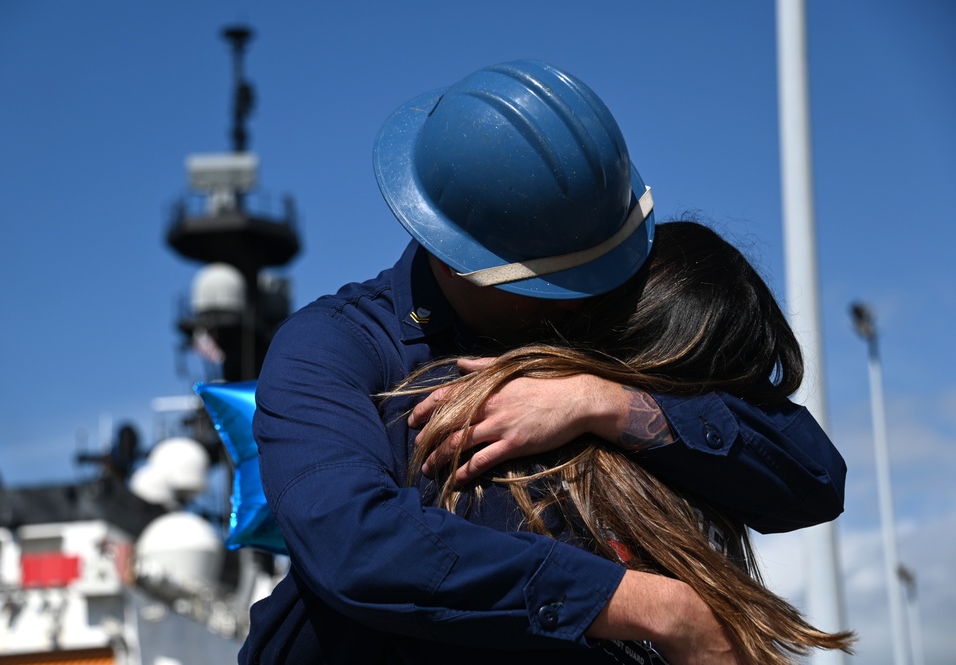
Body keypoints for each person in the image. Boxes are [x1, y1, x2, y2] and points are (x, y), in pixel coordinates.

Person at [241, 60, 846, 664]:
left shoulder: (588, 297)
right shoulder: (333, 348)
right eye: (558, 282)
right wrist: (654, 607)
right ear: (458, 261)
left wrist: (604, 403)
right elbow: (355, 544)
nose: (590, 297)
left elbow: (813, 479)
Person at [397, 221, 856, 664]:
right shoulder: (482, 416)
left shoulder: (702, 471)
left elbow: (820, 476)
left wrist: (601, 401)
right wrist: (663, 610)